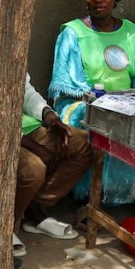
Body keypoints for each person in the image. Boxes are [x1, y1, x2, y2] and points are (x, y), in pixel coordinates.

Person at [49, 0, 135, 205]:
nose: (98, 0)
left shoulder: (130, 32)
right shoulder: (72, 33)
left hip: (128, 101)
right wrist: (97, 99)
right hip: (83, 102)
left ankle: (129, 195)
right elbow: (64, 80)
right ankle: (90, 200)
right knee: (95, 120)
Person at [14, 74, 92, 256]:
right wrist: (36, 148)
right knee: (34, 169)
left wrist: (49, 115)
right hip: (2, 136)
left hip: (29, 128)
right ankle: (5, 227)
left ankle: (32, 209)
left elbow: (25, 91)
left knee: (84, 146)